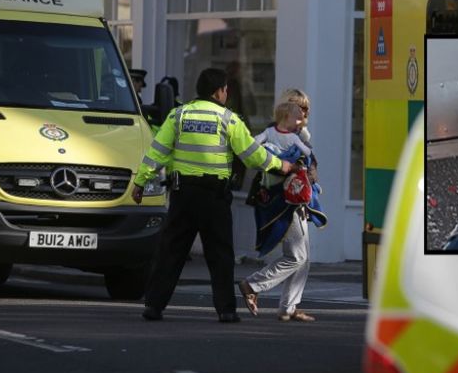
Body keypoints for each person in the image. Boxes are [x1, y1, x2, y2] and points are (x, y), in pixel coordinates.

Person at [131, 67, 293, 323]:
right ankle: (226, 311)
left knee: (171, 252)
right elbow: (253, 154)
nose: (226, 93)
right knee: (220, 255)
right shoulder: (229, 119)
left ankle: (154, 305)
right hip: (214, 198)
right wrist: (280, 166)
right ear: (219, 92)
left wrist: (140, 182)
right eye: (226, 89)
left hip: (183, 195)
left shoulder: (179, 115)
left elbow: (157, 152)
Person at [239, 90, 327, 323]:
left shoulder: (298, 134)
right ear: (288, 110)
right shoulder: (274, 133)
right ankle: (253, 284)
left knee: (303, 257)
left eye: (306, 109)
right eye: (300, 108)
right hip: (282, 201)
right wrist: (285, 166)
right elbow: (256, 155)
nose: (304, 113)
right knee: (297, 256)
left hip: (297, 199)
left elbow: (310, 161)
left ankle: (289, 307)